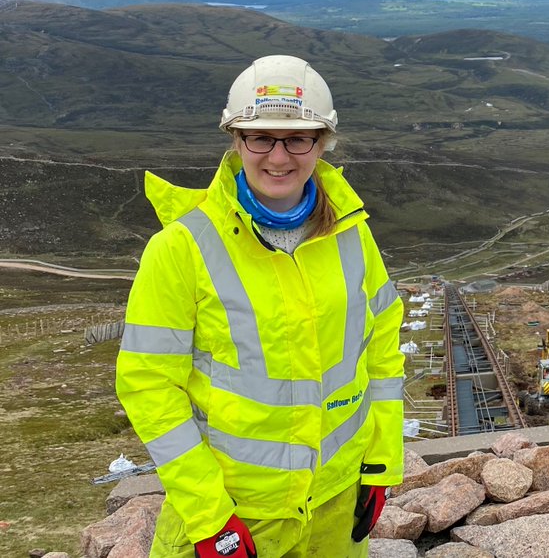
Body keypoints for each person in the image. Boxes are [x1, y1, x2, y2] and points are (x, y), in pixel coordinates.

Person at [116, 55, 405, 558]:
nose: (278, 157)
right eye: (261, 138)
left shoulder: (352, 234)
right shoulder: (181, 248)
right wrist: (209, 514)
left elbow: (380, 349)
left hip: (335, 502)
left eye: (298, 139)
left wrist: (381, 461)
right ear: (236, 140)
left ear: (322, 143)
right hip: (233, 511)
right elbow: (149, 388)